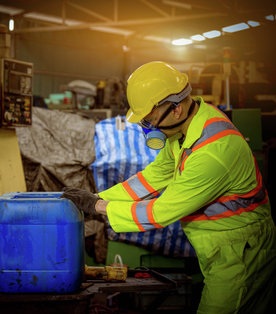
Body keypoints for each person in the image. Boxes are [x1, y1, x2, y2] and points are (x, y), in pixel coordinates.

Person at [61, 61, 276, 313]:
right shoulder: (186, 130)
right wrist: (97, 197)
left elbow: (160, 212)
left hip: (242, 253)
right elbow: (152, 178)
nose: (147, 129)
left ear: (175, 110)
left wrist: (98, 207)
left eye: (149, 120)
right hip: (223, 247)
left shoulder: (213, 153)